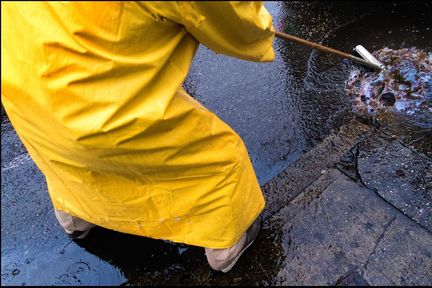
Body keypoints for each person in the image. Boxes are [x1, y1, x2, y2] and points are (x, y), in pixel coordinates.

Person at [1, 1, 275, 272]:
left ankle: (77, 216)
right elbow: (230, 19)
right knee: (221, 164)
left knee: (66, 160)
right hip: (96, 110)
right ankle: (229, 240)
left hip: (22, 83)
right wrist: (264, 29)